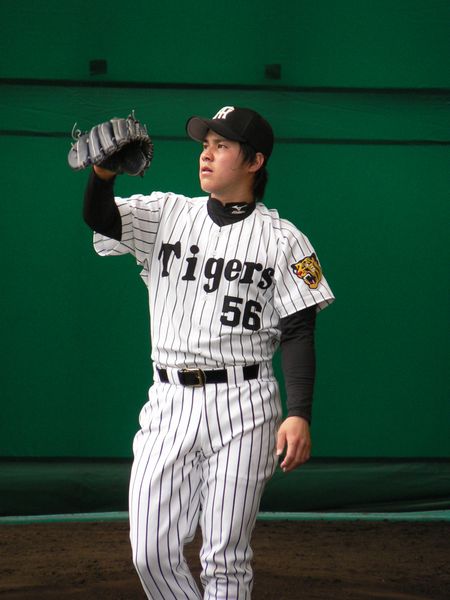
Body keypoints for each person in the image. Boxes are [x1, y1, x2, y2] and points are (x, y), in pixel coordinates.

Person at [83, 106, 334, 599]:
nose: (207, 154)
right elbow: (101, 218)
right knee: (150, 553)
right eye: (205, 145)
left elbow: (299, 329)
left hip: (245, 403)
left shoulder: (286, 241)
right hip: (169, 401)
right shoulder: (167, 213)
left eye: (222, 146)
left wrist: (299, 412)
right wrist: (102, 175)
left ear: (255, 161)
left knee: (224, 558)